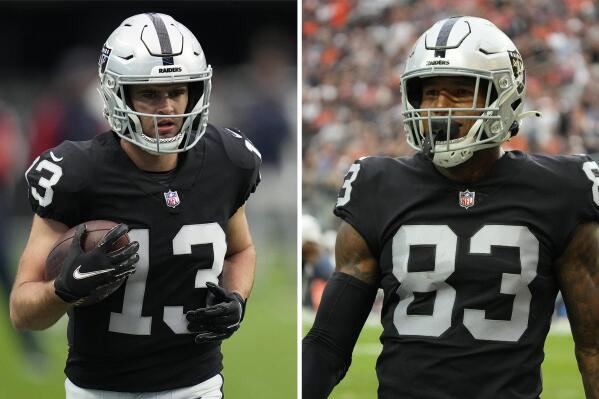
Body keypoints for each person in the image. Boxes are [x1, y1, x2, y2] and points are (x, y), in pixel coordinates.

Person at [303, 16, 599, 398]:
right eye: (428, 93)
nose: (438, 108)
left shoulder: (560, 191)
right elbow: (328, 343)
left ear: (503, 96)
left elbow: (593, 346)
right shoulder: (378, 186)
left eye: (460, 91)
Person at [10, 13, 261, 399]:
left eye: (177, 91)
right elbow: (22, 312)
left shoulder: (227, 160)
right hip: (100, 390)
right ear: (117, 94)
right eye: (150, 93)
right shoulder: (77, 174)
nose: (167, 108)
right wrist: (63, 289)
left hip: (198, 386)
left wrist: (237, 300)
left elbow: (241, 250)